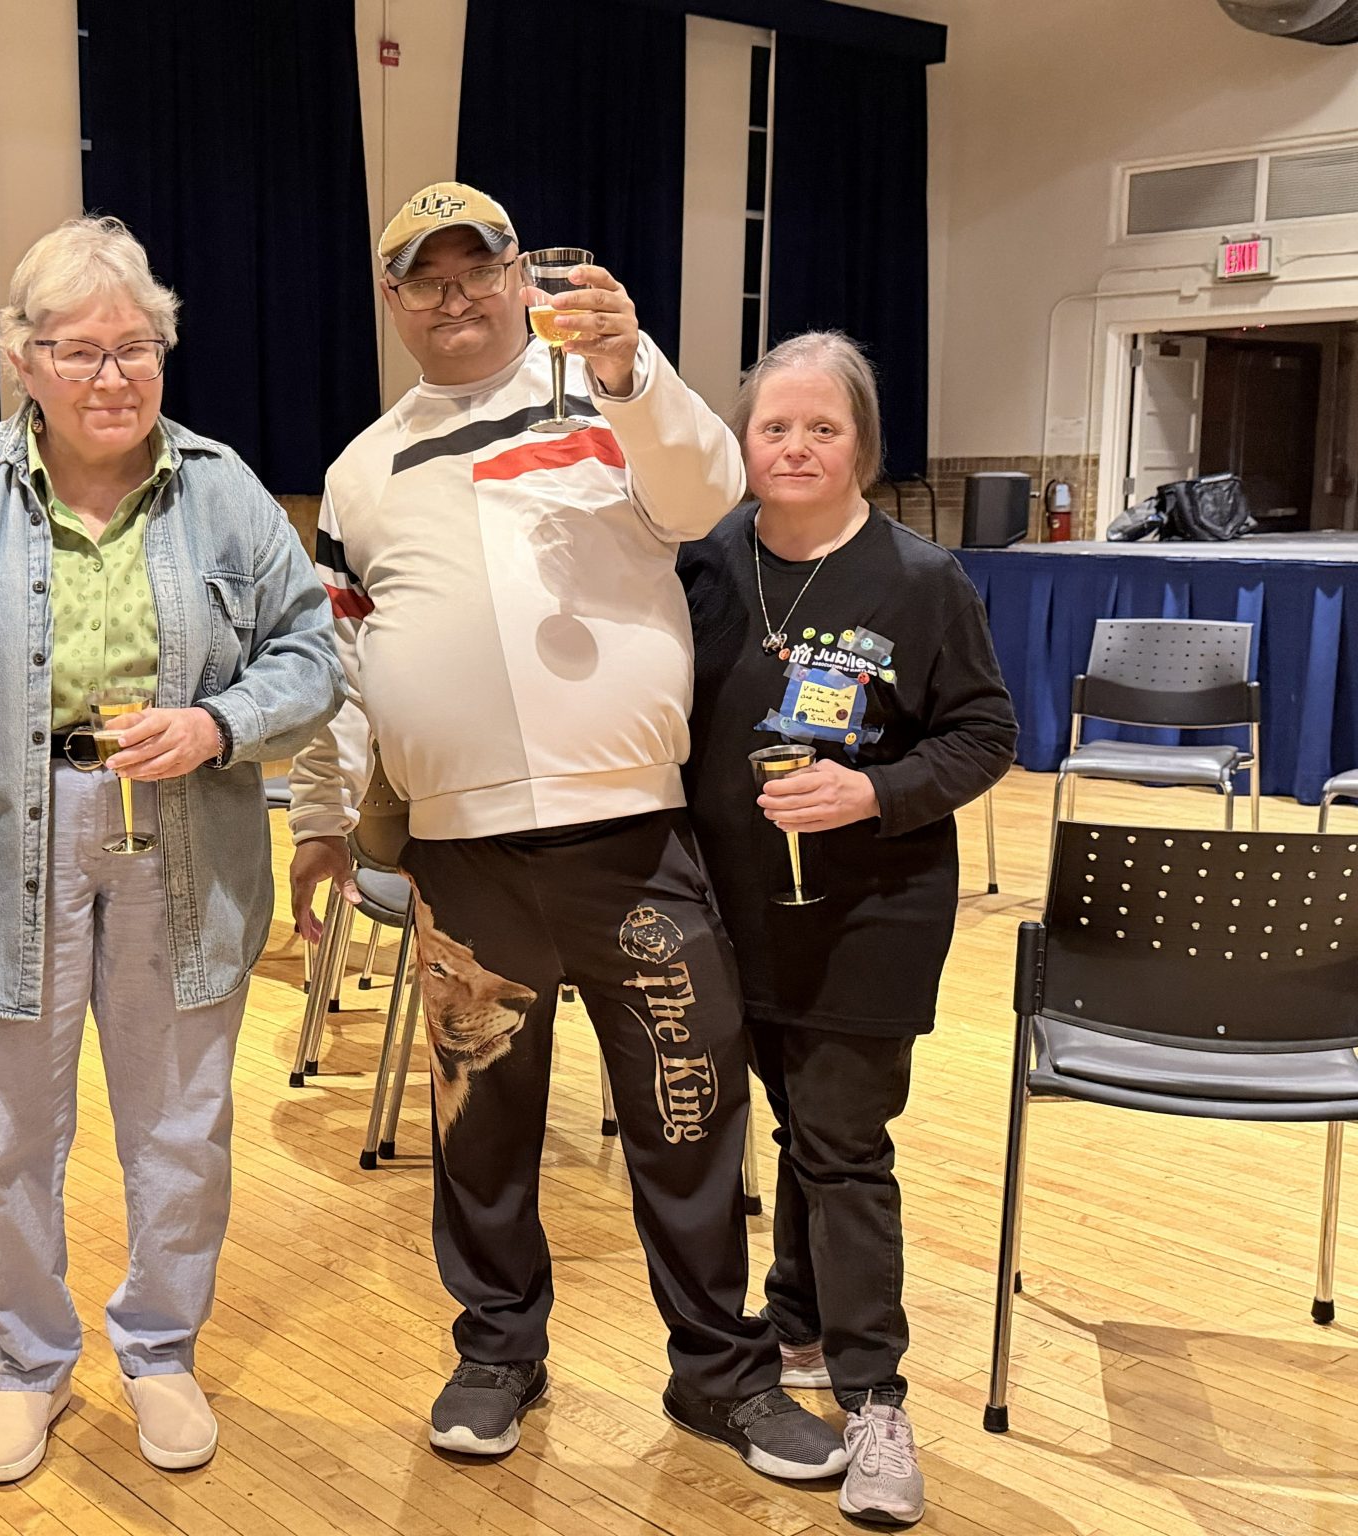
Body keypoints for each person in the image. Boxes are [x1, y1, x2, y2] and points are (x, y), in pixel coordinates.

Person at [288, 182, 845, 1480]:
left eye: (476, 267)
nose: (455, 296)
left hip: (634, 837)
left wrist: (629, 362)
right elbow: (345, 657)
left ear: (515, 270)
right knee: (480, 1120)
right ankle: (496, 1352)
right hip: (462, 861)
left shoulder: (606, 392)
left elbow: (708, 495)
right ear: (394, 301)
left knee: (689, 1111)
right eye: (423, 279)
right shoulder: (360, 471)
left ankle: (721, 1372)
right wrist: (335, 823)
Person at [0, 215, 343, 1484]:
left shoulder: (223, 489)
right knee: (5, 1130)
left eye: (137, 348)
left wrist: (218, 721)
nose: (111, 375)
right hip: (1, 843)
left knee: (178, 1125)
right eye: (79, 350)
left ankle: (160, 1352)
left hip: (184, 837)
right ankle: (26, 1365)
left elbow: (312, 657)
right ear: (22, 360)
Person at [678, 331, 1018, 1526]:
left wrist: (870, 790)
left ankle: (874, 1401)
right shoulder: (702, 563)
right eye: (775, 425)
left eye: (823, 428)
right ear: (741, 440)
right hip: (720, 912)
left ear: (861, 448)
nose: (796, 445)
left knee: (838, 1144)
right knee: (784, 1133)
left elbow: (983, 735)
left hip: (868, 915)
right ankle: (798, 1325)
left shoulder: (921, 580)